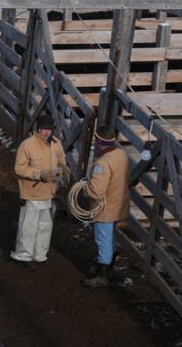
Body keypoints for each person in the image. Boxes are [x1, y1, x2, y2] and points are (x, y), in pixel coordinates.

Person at [10, 112, 68, 267]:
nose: (45, 132)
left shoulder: (56, 144)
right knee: (28, 226)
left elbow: (62, 161)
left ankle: (40, 254)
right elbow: (19, 169)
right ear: (38, 129)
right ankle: (23, 255)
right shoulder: (27, 145)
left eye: (48, 129)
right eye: (43, 129)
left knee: (45, 226)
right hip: (32, 193)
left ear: (52, 130)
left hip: (49, 193)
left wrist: (60, 171)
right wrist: (39, 174)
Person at [81, 125, 131, 287]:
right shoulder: (121, 155)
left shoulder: (102, 163)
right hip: (118, 205)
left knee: (103, 239)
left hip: (104, 209)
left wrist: (85, 187)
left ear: (99, 141)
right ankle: (108, 267)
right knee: (110, 238)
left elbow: (96, 192)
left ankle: (102, 274)